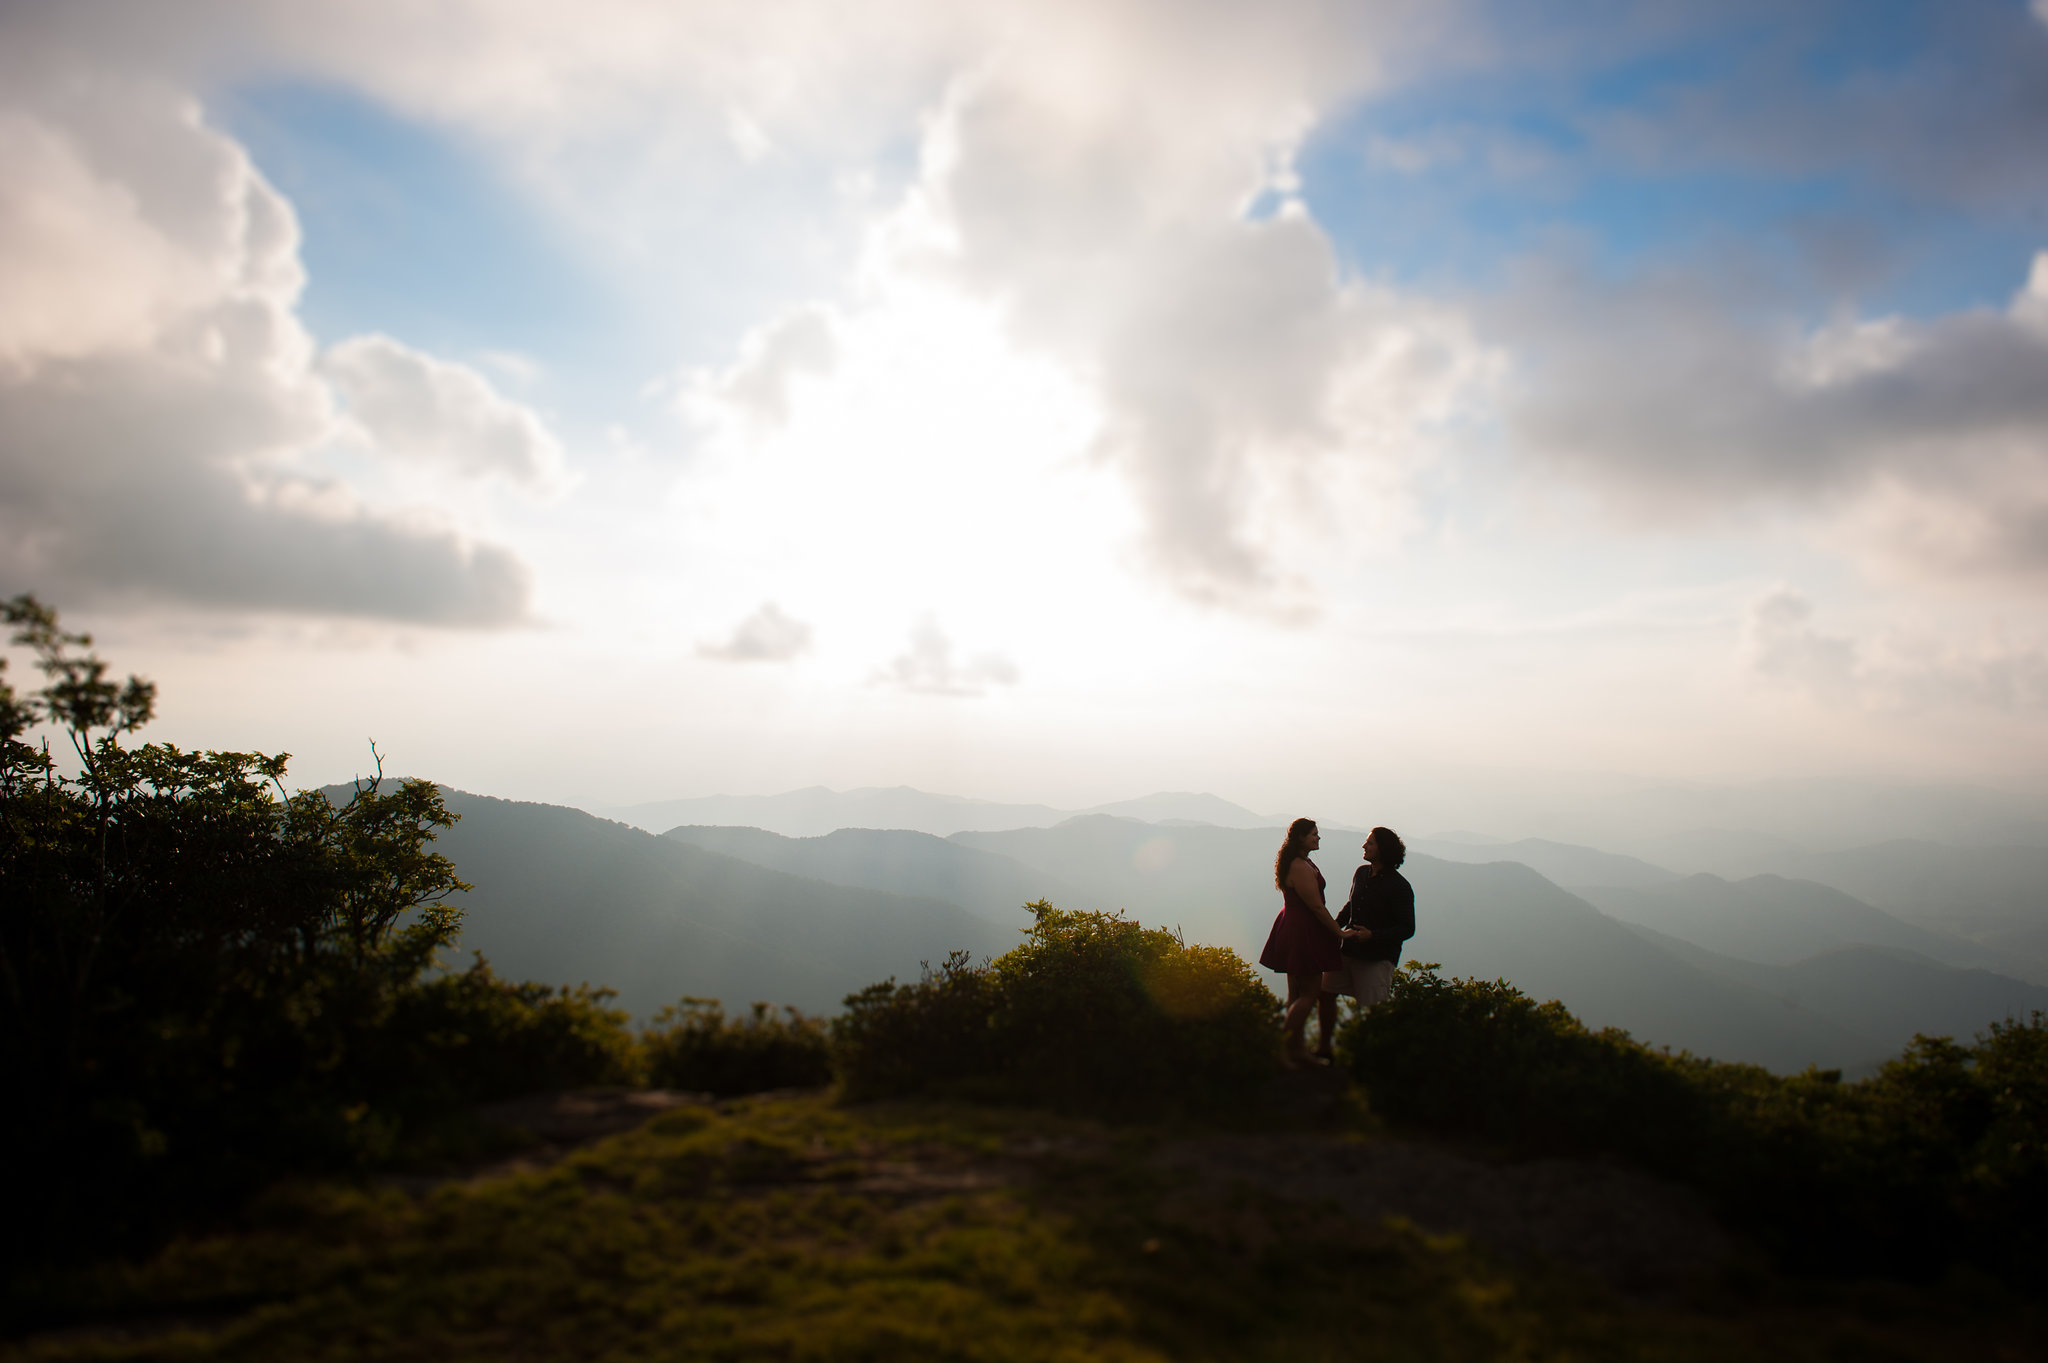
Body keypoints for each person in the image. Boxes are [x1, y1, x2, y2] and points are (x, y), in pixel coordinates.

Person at [1258, 817, 1359, 1069]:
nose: (1318, 837)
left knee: (1296, 993)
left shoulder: (1300, 861)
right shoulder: (1300, 866)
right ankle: (1281, 1049)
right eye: (1314, 834)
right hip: (1302, 930)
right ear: (1301, 837)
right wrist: (1340, 932)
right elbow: (1315, 905)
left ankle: (1297, 1049)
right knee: (1310, 993)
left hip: (1293, 927)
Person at [1319, 827, 1415, 1051]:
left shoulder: (1400, 886)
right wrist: (1335, 926)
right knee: (1324, 994)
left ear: (1383, 849)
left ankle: (1372, 1059)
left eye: (1370, 843)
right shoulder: (1361, 873)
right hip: (1348, 950)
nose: (1364, 846)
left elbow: (1407, 928)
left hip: (1376, 958)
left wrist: (1373, 935)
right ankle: (1324, 1048)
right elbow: (1351, 905)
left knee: (1373, 1012)